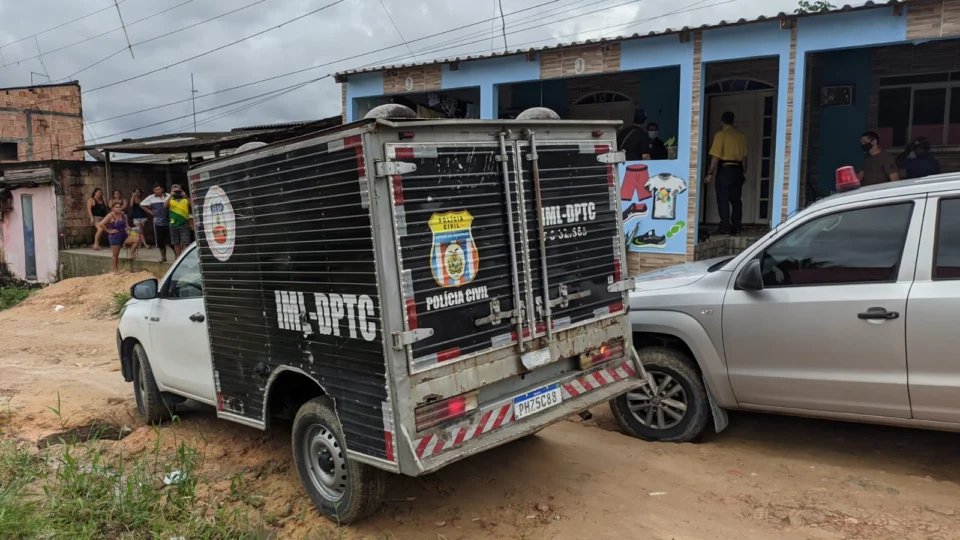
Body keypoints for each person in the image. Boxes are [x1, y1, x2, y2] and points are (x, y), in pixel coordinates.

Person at [705, 111, 748, 235]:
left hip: (725, 168)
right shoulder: (741, 136)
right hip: (738, 169)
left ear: (722, 121)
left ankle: (725, 226)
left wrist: (710, 173)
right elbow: (745, 157)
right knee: (736, 199)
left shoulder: (721, 135)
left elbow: (715, 157)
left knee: (723, 198)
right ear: (733, 121)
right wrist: (743, 172)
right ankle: (736, 226)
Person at [99, 202, 135, 273]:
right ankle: (116, 270)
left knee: (136, 239)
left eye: (119, 207)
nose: (118, 208)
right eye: (116, 207)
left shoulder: (123, 215)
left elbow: (126, 224)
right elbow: (101, 224)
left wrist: (128, 227)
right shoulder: (110, 216)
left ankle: (131, 253)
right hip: (115, 236)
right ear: (112, 208)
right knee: (115, 254)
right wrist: (108, 230)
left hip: (124, 235)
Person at [141, 184, 171, 262]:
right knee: (160, 240)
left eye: (159, 189)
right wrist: (150, 211)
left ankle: (177, 256)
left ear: (162, 189)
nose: (157, 191)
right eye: (155, 189)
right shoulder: (151, 197)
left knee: (171, 239)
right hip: (158, 221)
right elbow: (142, 204)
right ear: (153, 191)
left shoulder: (169, 196)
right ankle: (163, 257)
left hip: (169, 220)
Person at [164, 184, 192, 257]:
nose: (177, 193)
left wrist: (186, 196)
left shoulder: (185, 199)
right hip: (173, 224)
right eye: (175, 191)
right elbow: (165, 206)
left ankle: (185, 258)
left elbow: (192, 205)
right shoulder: (170, 200)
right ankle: (178, 257)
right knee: (176, 243)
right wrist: (170, 196)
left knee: (185, 242)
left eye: (178, 191)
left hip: (184, 223)